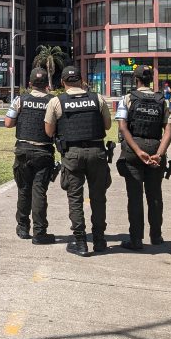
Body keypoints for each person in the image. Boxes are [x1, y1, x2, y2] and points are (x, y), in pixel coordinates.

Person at [44, 65, 113, 257]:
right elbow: (107, 125)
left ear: (62, 82)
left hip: (72, 154)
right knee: (98, 197)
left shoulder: (57, 102)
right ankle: (99, 240)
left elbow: (49, 131)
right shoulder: (97, 98)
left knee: (75, 198)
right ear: (82, 80)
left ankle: (81, 242)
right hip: (97, 152)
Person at [115, 65, 171, 250]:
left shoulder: (126, 99)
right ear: (150, 80)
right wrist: (160, 153)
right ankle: (156, 236)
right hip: (155, 148)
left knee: (135, 197)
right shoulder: (162, 100)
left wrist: (138, 151)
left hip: (134, 152)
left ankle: (136, 239)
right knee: (155, 196)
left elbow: (123, 128)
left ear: (136, 79)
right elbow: (169, 130)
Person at [4, 67, 57, 244]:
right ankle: (40, 232)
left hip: (23, 151)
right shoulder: (53, 101)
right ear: (47, 85)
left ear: (30, 84)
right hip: (44, 152)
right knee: (39, 192)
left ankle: (23, 227)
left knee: (24, 190)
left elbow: (8, 123)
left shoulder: (20, 100)